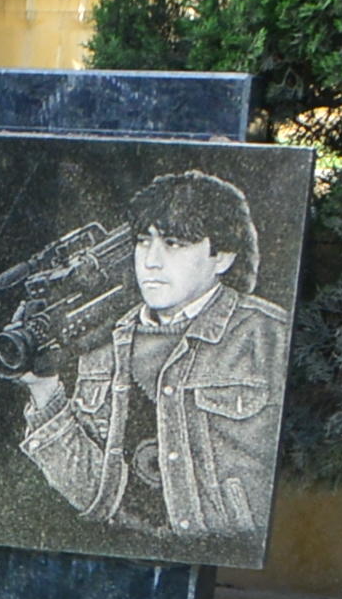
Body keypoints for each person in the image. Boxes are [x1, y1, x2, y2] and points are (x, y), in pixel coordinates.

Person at [14, 168, 285, 546]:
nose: (151, 261)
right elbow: (96, 496)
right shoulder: (105, 341)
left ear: (222, 257)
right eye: (144, 242)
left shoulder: (269, 336)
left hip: (226, 556)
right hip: (125, 554)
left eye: (174, 243)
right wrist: (43, 391)